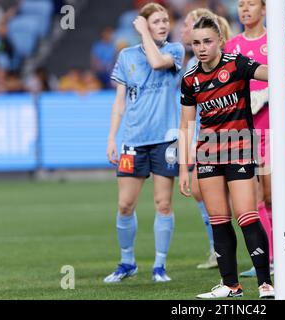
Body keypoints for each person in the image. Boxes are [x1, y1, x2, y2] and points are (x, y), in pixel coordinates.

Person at [179, 15, 274, 299]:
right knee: (218, 219)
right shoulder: (190, 80)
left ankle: (265, 284)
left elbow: (273, 73)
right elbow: (186, 125)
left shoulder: (237, 64)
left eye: (207, 41)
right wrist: (185, 169)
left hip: (239, 147)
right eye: (196, 43)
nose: (201, 48)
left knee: (246, 215)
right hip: (208, 151)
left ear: (220, 40)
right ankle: (230, 285)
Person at [104, 2, 185, 284]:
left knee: (163, 204)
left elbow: (156, 62)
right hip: (133, 140)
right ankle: (127, 262)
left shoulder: (175, 51)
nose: (164, 25)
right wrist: (112, 137)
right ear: (144, 25)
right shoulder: (126, 56)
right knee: (125, 205)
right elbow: (119, 101)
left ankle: (159, 267)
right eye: (157, 21)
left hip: (166, 139)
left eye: (166, 20)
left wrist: (145, 35)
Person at [224, 0, 285, 277]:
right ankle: (270, 258)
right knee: (253, 197)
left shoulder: (278, 39)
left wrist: (269, 93)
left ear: (263, 9)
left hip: (273, 131)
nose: (244, 9)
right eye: (240, 4)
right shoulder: (231, 45)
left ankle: (283, 252)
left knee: (272, 195)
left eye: (250, 4)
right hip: (243, 132)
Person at [180, 8, 231, 270]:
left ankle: (264, 258)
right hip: (205, 139)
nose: (182, 29)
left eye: (187, 24)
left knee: (249, 199)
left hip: (228, 137)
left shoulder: (219, 60)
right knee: (204, 193)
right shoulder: (191, 65)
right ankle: (218, 251)